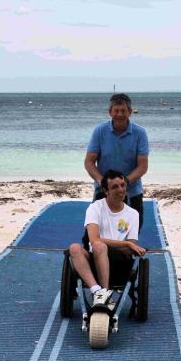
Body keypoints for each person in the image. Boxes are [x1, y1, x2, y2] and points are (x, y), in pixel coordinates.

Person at [68, 170, 146, 306]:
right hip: (93, 260)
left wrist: (128, 245)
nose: (121, 189)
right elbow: (94, 239)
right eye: (115, 187)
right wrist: (126, 243)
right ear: (106, 190)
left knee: (100, 245)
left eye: (122, 185)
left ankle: (103, 294)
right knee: (75, 248)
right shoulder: (95, 208)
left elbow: (131, 248)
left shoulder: (133, 214)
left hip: (119, 263)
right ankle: (99, 291)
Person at [84, 93, 149, 229]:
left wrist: (124, 182)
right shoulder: (99, 131)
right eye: (116, 111)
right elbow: (89, 162)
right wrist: (102, 181)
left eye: (123, 111)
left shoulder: (140, 133)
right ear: (110, 112)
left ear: (130, 112)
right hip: (104, 190)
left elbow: (142, 166)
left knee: (130, 230)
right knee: (98, 229)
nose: (120, 114)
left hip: (132, 190)